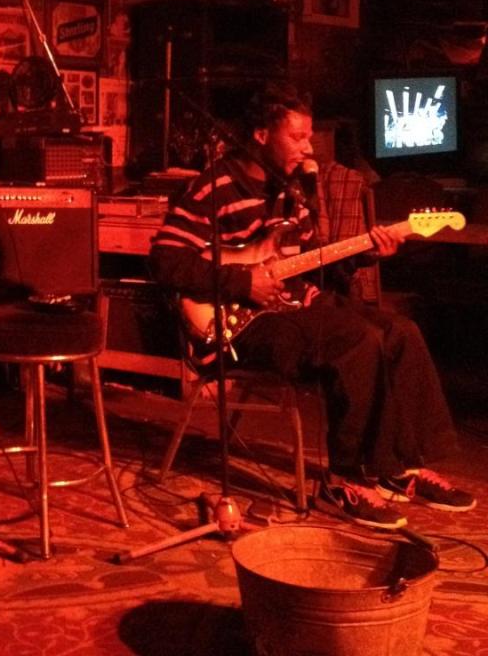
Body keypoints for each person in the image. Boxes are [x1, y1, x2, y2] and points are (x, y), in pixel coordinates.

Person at [150, 80, 475, 529]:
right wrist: (242, 280)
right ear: (262, 135)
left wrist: (365, 254)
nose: (309, 147)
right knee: (356, 340)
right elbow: (164, 260)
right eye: (298, 137)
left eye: (309, 137)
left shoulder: (294, 190)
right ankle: (342, 481)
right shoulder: (214, 187)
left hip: (295, 303)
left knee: (402, 331)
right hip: (238, 323)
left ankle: (401, 468)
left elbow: (311, 267)